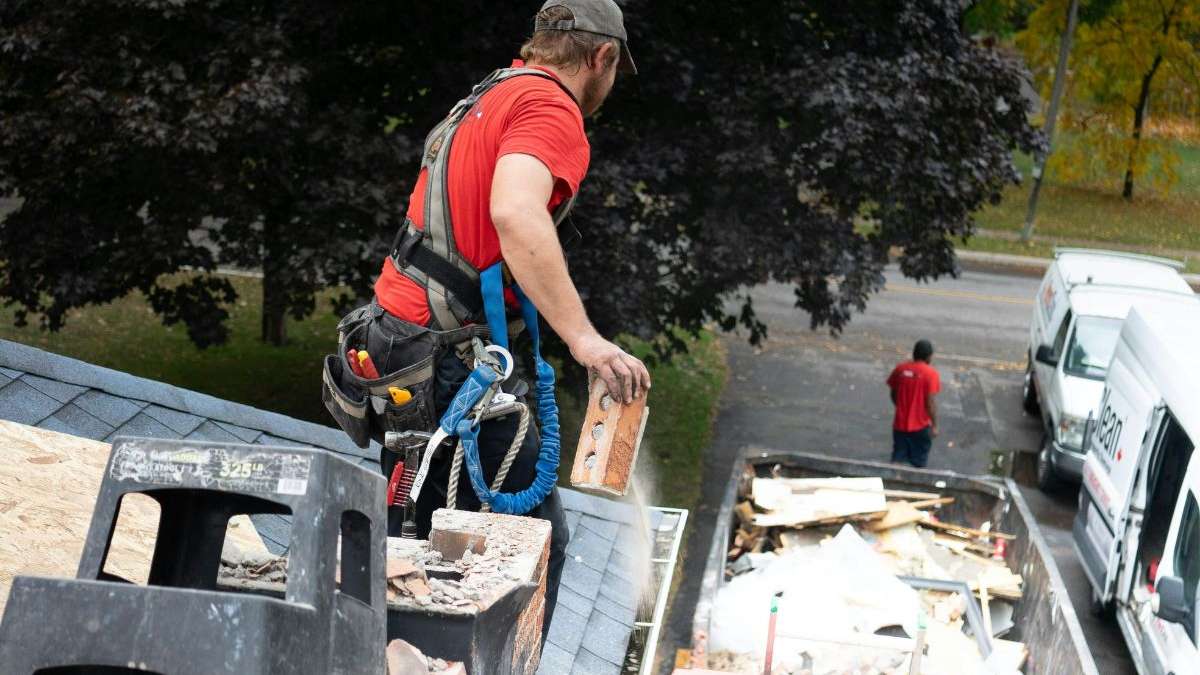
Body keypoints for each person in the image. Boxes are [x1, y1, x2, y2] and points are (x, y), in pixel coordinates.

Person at [345, 0, 649, 644]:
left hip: (398, 342)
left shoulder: (494, 93)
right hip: (447, 360)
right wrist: (585, 339)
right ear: (602, 58)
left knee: (413, 539)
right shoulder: (550, 109)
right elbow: (515, 212)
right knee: (530, 552)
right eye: (615, 68)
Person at [886, 339, 940, 468]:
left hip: (900, 426)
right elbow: (930, 403)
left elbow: (893, 393)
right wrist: (935, 425)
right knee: (919, 464)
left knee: (897, 461)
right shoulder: (931, 374)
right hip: (920, 427)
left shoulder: (900, 369)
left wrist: (901, 407)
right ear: (929, 357)